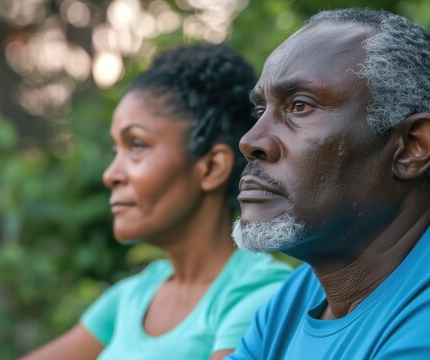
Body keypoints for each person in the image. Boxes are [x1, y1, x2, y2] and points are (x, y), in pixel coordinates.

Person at [228, 8, 430, 359]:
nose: (251, 141)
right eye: (260, 111)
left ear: (412, 147)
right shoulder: (293, 300)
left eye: (299, 106)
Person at [21, 43, 291, 360]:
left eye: (136, 144)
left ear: (211, 167)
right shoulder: (132, 297)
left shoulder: (260, 294)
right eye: (115, 151)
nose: (111, 174)